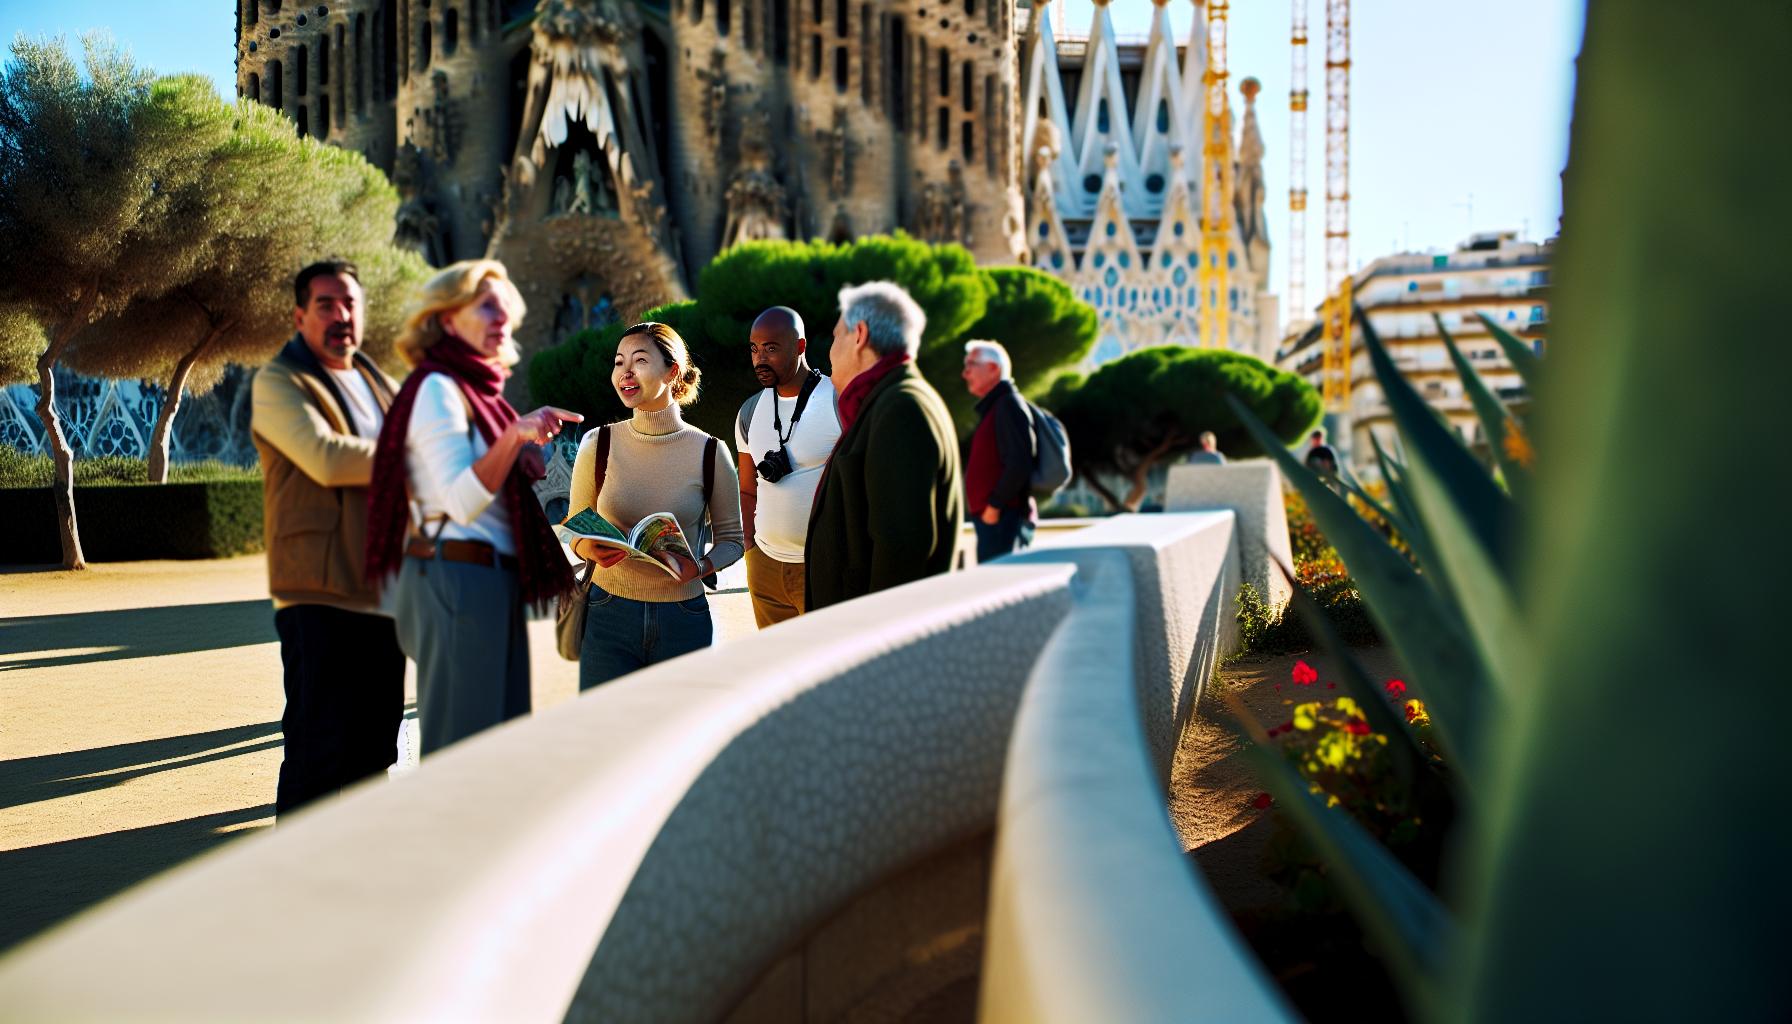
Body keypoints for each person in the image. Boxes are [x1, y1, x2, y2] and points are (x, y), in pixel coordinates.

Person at [364, 260, 582, 755]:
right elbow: (461, 502)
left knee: (496, 748)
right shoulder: (438, 388)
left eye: (505, 308)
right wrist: (513, 437)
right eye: (485, 305)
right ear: (446, 319)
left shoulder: (476, 391)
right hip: (458, 578)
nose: (501, 317)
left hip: (486, 580)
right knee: (463, 753)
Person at [251, 260, 406, 819]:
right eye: (326, 304)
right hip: (318, 591)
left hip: (383, 592)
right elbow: (325, 458)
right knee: (318, 752)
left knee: (373, 753)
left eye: (350, 304)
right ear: (300, 315)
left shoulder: (378, 383)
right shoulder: (278, 383)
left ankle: (362, 881)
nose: (341, 315)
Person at [565, 321, 745, 687]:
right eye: (619, 362)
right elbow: (574, 525)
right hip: (606, 612)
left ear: (672, 371)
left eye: (640, 360)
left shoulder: (710, 451)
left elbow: (734, 538)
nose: (625, 372)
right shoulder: (597, 444)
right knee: (609, 737)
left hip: (683, 617)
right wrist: (591, 547)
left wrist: (701, 567)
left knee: (678, 737)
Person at [805, 281, 964, 610]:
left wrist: (876, 648)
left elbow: (901, 550)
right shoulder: (892, 400)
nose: (831, 350)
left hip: (872, 638)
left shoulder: (901, 408)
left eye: (836, 337)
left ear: (859, 335)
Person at [735, 306, 840, 627]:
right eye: (754, 348)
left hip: (825, 566)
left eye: (771, 348)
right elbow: (746, 487)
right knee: (777, 669)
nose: (759, 359)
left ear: (800, 347)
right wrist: (750, 546)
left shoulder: (839, 399)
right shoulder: (749, 411)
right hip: (764, 567)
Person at [961, 339, 1036, 563]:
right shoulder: (999, 405)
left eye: (970, 365)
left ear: (993, 368)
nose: (965, 374)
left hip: (1001, 519)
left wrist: (994, 506)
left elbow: (1019, 463)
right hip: (996, 520)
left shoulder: (1007, 404)